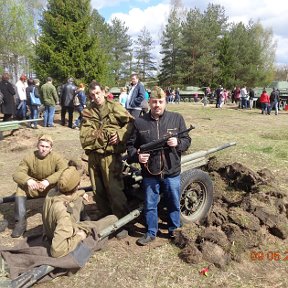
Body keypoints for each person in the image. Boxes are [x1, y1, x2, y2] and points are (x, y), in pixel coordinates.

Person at [126, 86, 191, 246]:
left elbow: (187, 140)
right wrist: (137, 156)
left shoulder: (176, 119)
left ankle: (174, 230)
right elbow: (130, 145)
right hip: (150, 173)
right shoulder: (140, 122)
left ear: (165, 102)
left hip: (172, 171)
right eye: (154, 102)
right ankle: (151, 232)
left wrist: (178, 143)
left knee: (174, 203)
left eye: (160, 101)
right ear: (149, 102)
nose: (157, 105)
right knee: (150, 204)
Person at [79, 81, 134, 225]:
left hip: (110, 157)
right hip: (93, 156)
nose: (95, 97)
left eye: (98, 93)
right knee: (98, 190)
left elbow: (131, 123)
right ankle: (105, 217)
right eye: (92, 95)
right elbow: (84, 136)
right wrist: (105, 136)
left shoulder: (114, 107)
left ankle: (123, 222)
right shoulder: (88, 111)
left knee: (114, 190)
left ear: (103, 91)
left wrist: (120, 133)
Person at [42, 163, 117, 258]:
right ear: (77, 186)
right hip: (62, 234)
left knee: (78, 199)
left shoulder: (51, 193)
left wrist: (81, 193)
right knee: (112, 219)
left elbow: (73, 195)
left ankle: (84, 218)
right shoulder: (62, 212)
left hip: (50, 229)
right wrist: (80, 236)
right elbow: (57, 251)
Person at [11, 134, 67, 238]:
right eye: (42, 146)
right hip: (34, 187)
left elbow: (64, 170)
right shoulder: (29, 157)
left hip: (51, 188)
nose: (43, 149)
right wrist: (28, 180)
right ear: (37, 146)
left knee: (65, 185)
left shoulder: (56, 157)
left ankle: (67, 216)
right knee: (20, 188)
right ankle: (20, 223)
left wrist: (48, 181)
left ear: (51, 148)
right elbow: (17, 174)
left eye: (46, 147)